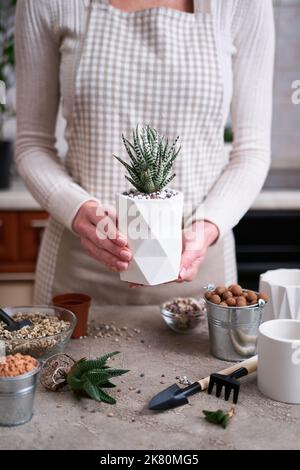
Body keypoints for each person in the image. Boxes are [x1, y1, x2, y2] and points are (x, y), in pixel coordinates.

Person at [15, 0, 274, 305]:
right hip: (81, 276)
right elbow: (32, 144)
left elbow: (252, 152)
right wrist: (77, 209)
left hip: (199, 275)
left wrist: (207, 227)